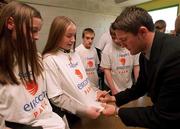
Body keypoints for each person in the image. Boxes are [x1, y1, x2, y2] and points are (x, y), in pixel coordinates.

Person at [99, 6, 180, 129]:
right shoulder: (144, 52)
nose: (121, 45)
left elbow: (163, 116)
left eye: (124, 39)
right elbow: (141, 87)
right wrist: (114, 98)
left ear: (142, 32)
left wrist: (117, 111)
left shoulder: (174, 56)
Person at [0, 1, 65, 129]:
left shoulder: (37, 58)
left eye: (38, 31)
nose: (37, 37)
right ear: (10, 23)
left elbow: (43, 98)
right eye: (32, 30)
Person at [42, 16, 105, 128]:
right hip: (72, 114)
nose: (73, 40)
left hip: (89, 106)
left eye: (74, 35)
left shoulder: (74, 53)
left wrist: (96, 91)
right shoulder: (49, 59)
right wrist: (83, 110)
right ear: (56, 35)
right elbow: (57, 98)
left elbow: (84, 80)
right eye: (69, 36)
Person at [100, 24, 139, 95]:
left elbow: (136, 66)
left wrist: (138, 84)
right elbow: (107, 70)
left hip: (128, 86)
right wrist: (113, 89)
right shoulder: (107, 49)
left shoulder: (132, 46)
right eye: (113, 38)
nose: (116, 40)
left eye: (118, 38)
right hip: (111, 86)